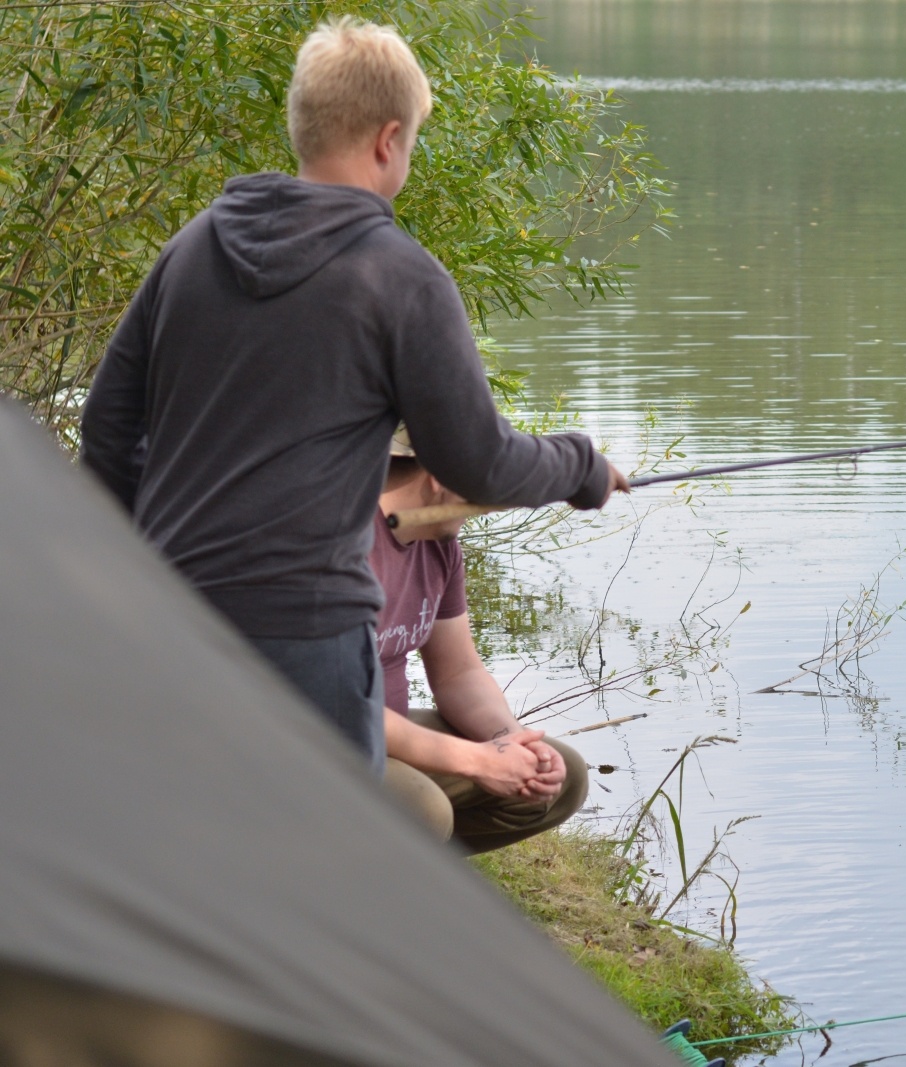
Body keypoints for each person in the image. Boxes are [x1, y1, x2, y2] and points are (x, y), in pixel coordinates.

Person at [79, 18, 628, 774]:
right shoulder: (399, 277)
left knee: (198, 859)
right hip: (307, 639)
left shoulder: (191, 248)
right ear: (388, 139)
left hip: (172, 621)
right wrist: (581, 466)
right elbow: (478, 463)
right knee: (325, 873)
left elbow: (106, 431)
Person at [375, 438, 585, 852]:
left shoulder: (439, 546)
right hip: (311, 739)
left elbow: (458, 672)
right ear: (438, 479)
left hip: (383, 735)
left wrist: (511, 741)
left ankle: (398, 866)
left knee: (562, 778)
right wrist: (476, 761)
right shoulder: (340, 545)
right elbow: (336, 704)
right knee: (423, 808)